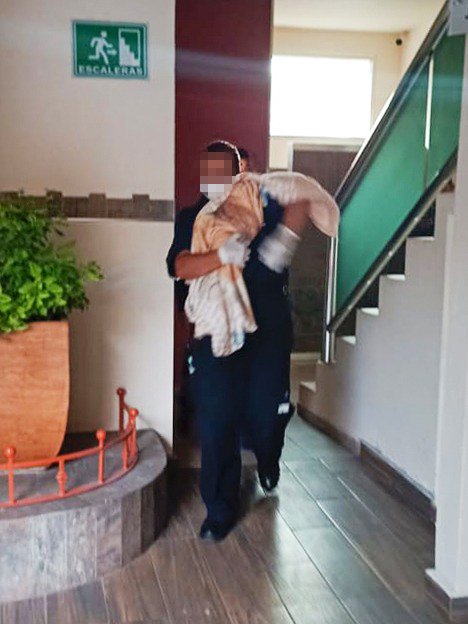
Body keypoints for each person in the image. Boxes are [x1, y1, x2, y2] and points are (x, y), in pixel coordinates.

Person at [166, 141, 319, 541]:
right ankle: (219, 509)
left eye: (235, 170)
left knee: (266, 415)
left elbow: (305, 198)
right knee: (217, 420)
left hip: (268, 332)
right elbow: (179, 265)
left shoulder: (263, 201)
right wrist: (221, 257)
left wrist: (280, 245)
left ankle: (268, 458)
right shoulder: (195, 216)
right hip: (217, 332)